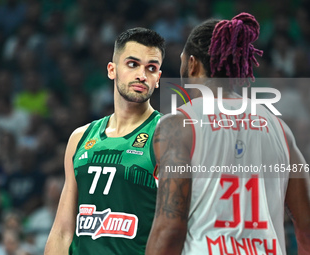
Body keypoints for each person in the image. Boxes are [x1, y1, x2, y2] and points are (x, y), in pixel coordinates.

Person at [146, 13, 310, 255]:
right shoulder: (280, 129)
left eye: (182, 61)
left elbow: (170, 229)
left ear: (192, 64)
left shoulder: (178, 125)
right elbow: (306, 228)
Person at [45, 27, 165, 255]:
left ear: (158, 78)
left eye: (151, 68)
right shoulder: (80, 138)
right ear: (112, 70)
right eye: (132, 64)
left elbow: (182, 227)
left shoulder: (167, 135)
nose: (142, 75)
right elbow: (62, 231)